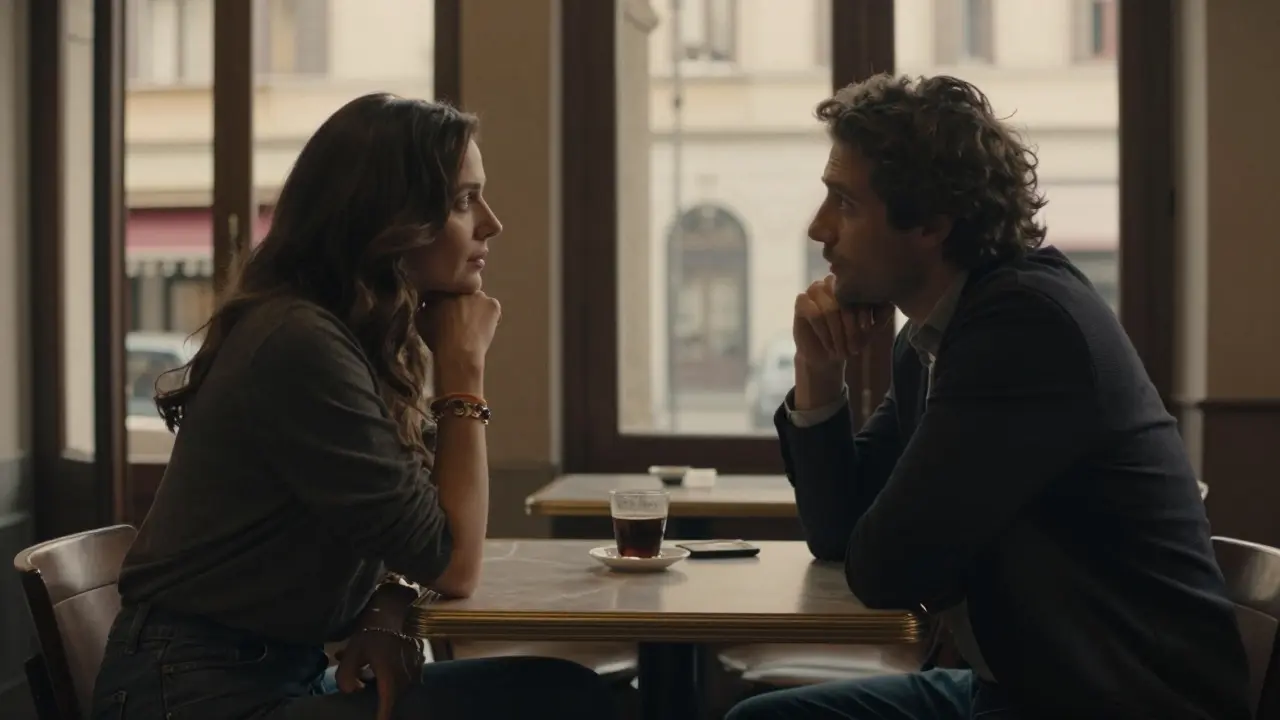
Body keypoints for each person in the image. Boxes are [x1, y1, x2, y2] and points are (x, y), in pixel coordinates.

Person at [727, 74, 1251, 720]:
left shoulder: (1023, 329)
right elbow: (839, 535)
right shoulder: (938, 334)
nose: (818, 229)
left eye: (846, 203)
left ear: (932, 222)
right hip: (1016, 686)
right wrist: (818, 370)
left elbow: (887, 570)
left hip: (1110, 702)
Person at [91, 94, 615, 720]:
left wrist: (389, 602)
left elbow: (419, 533)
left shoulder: (338, 337)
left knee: (564, 693)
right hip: (198, 694)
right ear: (389, 220)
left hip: (269, 673)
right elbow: (457, 564)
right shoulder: (298, 343)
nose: (491, 224)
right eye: (462, 200)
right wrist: (464, 373)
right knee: (564, 702)